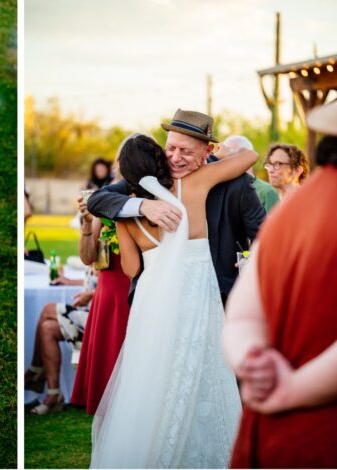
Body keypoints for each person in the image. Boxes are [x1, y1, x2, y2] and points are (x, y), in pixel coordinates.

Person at [90, 132, 256, 468]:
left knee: (152, 371)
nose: (177, 157)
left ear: (126, 171)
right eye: (170, 150)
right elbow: (248, 158)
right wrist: (219, 153)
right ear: (160, 158)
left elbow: (131, 267)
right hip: (196, 292)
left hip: (153, 299)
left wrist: (131, 221)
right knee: (200, 365)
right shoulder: (193, 187)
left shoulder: (126, 214)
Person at [222, 103, 337, 468]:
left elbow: (242, 314)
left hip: (272, 432)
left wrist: (250, 358)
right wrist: (291, 389)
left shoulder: (292, 207)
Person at [87, 109, 265, 304]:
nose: (175, 158)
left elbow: (263, 235)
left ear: (208, 151)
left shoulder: (236, 183)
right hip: (157, 300)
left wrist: (251, 262)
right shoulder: (151, 174)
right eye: (171, 148)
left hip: (220, 298)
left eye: (187, 152)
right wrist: (143, 206)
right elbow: (98, 199)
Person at [24, 206, 99, 415]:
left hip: (100, 318)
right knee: (47, 328)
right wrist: (71, 280)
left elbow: (115, 286)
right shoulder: (95, 245)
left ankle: (34, 371)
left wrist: (92, 295)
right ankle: (54, 393)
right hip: (90, 313)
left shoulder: (111, 244)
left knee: (48, 308)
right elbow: (94, 279)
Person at [70, 167, 133, 416]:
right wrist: (87, 223)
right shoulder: (104, 204)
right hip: (108, 292)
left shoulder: (151, 201)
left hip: (135, 288)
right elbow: (87, 258)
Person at [221, 135, 279, 213]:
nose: (225, 161)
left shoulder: (267, 191)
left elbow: (273, 224)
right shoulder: (223, 189)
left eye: (231, 155)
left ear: (246, 155)